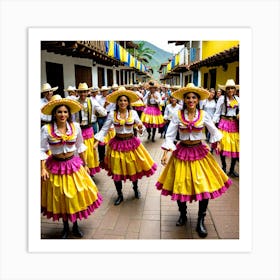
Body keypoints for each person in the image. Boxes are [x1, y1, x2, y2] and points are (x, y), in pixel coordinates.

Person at [155, 83, 232, 238]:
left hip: (199, 152)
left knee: (203, 185)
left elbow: (214, 131)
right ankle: (182, 214)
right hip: (181, 151)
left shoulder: (204, 115)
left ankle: (200, 220)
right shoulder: (177, 114)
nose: (191, 100)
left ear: (197, 100)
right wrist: (165, 153)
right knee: (180, 184)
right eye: (188, 97)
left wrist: (219, 143)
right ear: (184, 99)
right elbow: (170, 135)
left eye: (194, 98)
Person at [40, 95, 103, 239]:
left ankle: (75, 226)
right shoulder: (46, 129)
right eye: (59, 112)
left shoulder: (75, 127)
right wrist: (42, 168)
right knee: (61, 197)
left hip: (73, 165)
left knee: (75, 195)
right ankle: (65, 227)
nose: (62, 115)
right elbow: (41, 149)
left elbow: (80, 146)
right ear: (54, 114)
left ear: (69, 114)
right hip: (55, 167)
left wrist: (85, 165)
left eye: (65, 112)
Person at [94, 86, 157, 206]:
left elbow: (140, 125)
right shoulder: (112, 115)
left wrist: (140, 128)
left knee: (133, 168)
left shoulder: (132, 113)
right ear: (117, 102)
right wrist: (97, 141)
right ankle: (120, 195)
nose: (123, 102)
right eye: (120, 100)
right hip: (117, 145)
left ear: (128, 102)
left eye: (125, 100)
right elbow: (104, 129)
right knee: (116, 171)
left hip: (132, 144)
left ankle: (135, 188)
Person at [73, 82, 107, 177]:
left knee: (89, 151)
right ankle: (80, 170)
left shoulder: (92, 101)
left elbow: (103, 113)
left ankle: (89, 170)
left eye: (85, 92)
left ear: (88, 92)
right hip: (78, 129)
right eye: (81, 92)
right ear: (78, 93)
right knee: (78, 150)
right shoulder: (74, 102)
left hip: (88, 129)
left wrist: (97, 113)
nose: (83, 94)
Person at [213, 79, 240, 177]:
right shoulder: (221, 99)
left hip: (234, 124)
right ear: (226, 90)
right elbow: (217, 112)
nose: (230, 90)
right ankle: (224, 167)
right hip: (223, 123)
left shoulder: (238, 99)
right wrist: (213, 124)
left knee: (235, 146)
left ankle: (232, 169)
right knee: (222, 145)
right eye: (228, 88)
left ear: (235, 89)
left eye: (232, 88)